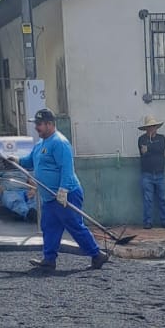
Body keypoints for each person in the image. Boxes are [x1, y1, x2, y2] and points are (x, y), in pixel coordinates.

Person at [18, 108, 107, 273]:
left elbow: (67, 168)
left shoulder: (60, 143)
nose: (36, 127)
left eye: (39, 124)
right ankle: (49, 260)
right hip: (50, 197)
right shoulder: (41, 144)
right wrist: (15, 160)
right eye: (36, 124)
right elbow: (29, 161)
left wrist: (63, 190)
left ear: (50, 124)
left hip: (66, 194)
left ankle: (97, 254)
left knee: (74, 225)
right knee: (49, 226)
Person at [137, 115, 165, 228]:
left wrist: (149, 148)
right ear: (146, 129)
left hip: (160, 173)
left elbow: (161, 148)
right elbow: (143, 152)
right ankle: (148, 222)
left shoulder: (162, 138)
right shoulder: (142, 139)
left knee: (163, 199)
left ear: (156, 127)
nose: (151, 129)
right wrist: (152, 148)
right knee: (148, 200)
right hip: (147, 173)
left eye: (153, 127)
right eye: (149, 127)